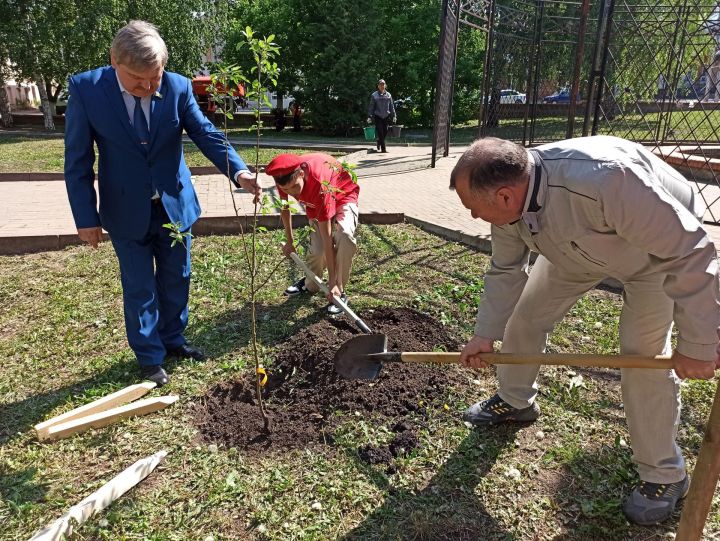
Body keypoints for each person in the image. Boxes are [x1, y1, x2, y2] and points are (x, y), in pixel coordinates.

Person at [450, 136, 720, 526]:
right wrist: (484, 334)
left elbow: (690, 249)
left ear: (506, 196)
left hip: (654, 255)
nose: (473, 216)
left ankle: (664, 475)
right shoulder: (509, 204)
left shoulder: (605, 180)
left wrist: (698, 343)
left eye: (472, 208)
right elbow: (506, 269)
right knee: (525, 317)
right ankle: (515, 400)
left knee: (641, 357)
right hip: (575, 245)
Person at [64, 21, 261, 387]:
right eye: (138, 80)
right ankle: (150, 357)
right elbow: (77, 161)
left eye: (154, 77)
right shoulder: (87, 90)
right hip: (124, 209)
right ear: (114, 62)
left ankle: (174, 341)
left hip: (174, 205)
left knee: (176, 277)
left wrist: (240, 172)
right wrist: (85, 218)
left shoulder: (178, 86)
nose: (148, 87)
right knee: (139, 286)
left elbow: (204, 133)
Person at [266, 153, 359, 315]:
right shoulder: (282, 177)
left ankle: (340, 290)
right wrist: (290, 242)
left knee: (343, 236)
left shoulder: (319, 183)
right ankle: (311, 284)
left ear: (301, 173)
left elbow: (327, 237)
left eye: (295, 187)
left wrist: (332, 282)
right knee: (317, 252)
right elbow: (285, 209)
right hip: (314, 204)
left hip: (343, 196)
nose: (294, 194)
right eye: (286, 190)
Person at [367, 79, 396, 153]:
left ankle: (379, 141)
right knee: (380, 132)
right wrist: (369, 116)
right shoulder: (374, 95)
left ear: (385, 85)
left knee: (385, 131)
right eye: (380, 84)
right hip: (378, 116)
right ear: (378, 86)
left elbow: (391, 106)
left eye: (383, 84)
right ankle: (383, 149)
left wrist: (394, 116)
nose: (382, 86)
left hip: (386, 116)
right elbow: (371, 106)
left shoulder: (389, 95)